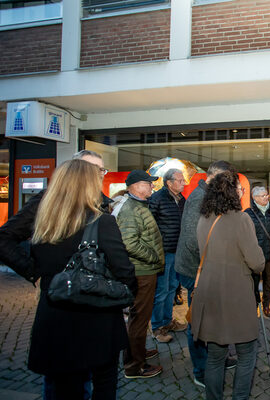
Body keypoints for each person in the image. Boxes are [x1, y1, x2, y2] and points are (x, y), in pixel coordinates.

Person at [0, 149, 111, 399]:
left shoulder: (100, 203)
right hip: (59, 301)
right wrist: (32, 270)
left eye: (101, 170)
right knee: (62, 374)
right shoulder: (47, 200)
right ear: (73, 170)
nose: (98, 175)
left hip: (92, 301)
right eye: (92, 169)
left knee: (87, 369)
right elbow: (4, 237)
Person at [27, 159, 137, 399]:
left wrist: (36, 274)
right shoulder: (102, 221)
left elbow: (30, 255)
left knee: (63, 388)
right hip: (96, 317)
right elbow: (124, 271)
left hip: (54, 316)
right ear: (88, 185)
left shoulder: (44, 220)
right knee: (104, 384)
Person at [190, 171, 265, 400]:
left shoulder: (203, 217)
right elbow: (257, 262)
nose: (242, 192)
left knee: (214, 357)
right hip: (237, 294)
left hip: (209, 293)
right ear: (232, 192)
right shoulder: (241, 218)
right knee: (246, 354)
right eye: (240, 189)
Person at [174, 160, 237, 387]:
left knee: (213, 318)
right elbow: (194, 240)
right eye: (225, 179)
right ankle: (200, 370)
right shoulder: (199, 198)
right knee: (198, 323)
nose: (228, 184)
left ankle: (217, 357)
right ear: (213, 177)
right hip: (195, 271)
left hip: (206, 269)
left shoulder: (211, 196)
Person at [114, 170, 165, 379]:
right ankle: (135, 366)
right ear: (136, 186)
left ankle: (138, 352)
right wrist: (153, 257)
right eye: (148, 183)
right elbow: (129, 243)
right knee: (139, 319)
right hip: (141, 271)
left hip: (144, 270)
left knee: (139, 318)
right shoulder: (130, 209)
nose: (152, 186)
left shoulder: (138, 205)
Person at [149, 168, 187, 343]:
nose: (183, 183)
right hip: (163, 252)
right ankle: (158, 327)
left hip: (177, 251)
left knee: (172, 288)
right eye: (179, 180)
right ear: (169, 182)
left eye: (183, 180)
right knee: (161, 290)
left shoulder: (181, 200)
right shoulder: (157, 199)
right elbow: (150, 228)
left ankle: (167, 321)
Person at [245, 186, 270, 318]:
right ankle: (254, 305)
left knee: (268, 281)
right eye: (263, 195)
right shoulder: (248, 213)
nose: (266, 197)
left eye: (266, 195)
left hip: (269, 252)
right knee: (254, 281)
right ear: (255, 198)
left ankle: (266, 305)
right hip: (255, 254)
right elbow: (244, 233)